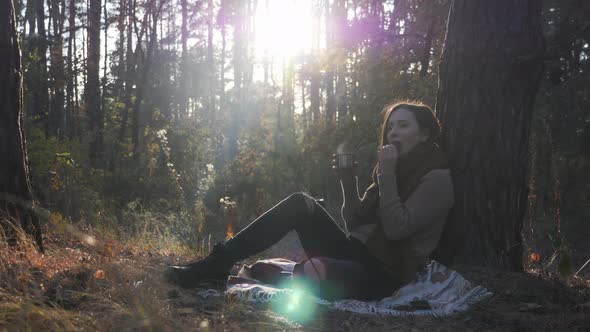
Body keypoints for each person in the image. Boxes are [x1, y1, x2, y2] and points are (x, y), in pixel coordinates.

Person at [164, 101, 454, 301]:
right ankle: (217, 263)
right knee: (300, 203)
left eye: (403, 126)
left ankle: (295, 275)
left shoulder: (436, 179)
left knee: (309, 271)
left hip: (384, 274)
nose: (393, 133)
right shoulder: (390, 169)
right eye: (390, 127)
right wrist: (348, 181)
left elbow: (395, 229)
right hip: (354, 251)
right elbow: (353, 221)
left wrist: (387, 174)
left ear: (425, 134)